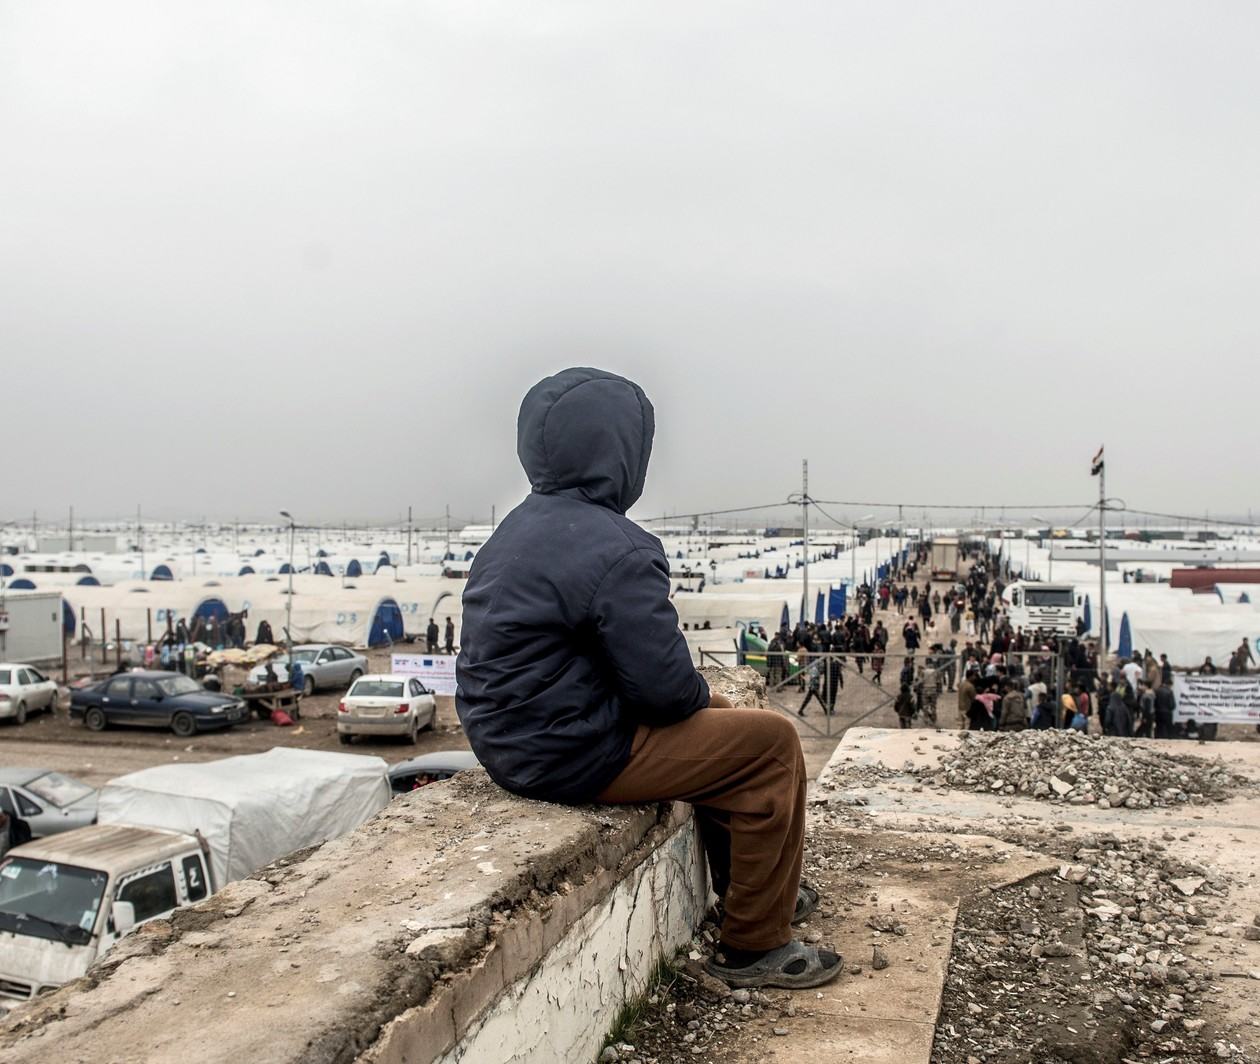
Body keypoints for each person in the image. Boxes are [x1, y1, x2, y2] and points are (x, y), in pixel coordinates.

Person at [455, 367, 840, 989]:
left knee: (723, 736)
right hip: (572, 752)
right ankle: (755, 944)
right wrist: (699, 699)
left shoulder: (514, 530)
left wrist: (697, 704)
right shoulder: (619, 548)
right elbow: (663, 691)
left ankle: (756, 891)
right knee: (770, 746)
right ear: (623, 453)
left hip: (511, 743)